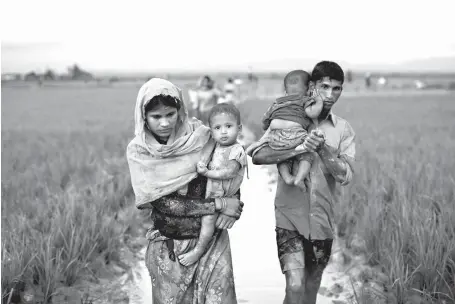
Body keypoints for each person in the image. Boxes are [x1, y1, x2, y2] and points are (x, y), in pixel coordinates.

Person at [126, 78, 244, 304]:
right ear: (144, 117)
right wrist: (219, 205)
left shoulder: (202, 136)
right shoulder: (140, 153)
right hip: (171, 246)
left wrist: (234, 207)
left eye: (170, 114)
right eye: (156, 117)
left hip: (212, 242)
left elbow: (230, 173)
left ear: (180, 110)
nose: (164, 123)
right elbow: (164, 203)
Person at [248, 61, 356, 304]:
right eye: (324, 87)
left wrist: (321, 148)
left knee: (309, 290)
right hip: (288, 217)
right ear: (311, 87)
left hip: (322, 222)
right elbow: (258, 156)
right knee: (294, 286)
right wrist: (296, 148)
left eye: (336, 89)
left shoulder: (343, 130)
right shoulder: (290, 117)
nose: (329, 95)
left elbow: (345, 176)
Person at [179, 103, 247, 266]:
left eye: (228, 126)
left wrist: (207, 173)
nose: (223, 131)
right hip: (211, 193)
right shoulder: (214, 144)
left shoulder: (237, 150)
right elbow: (208, 147)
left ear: (239, 128)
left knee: (209, 219)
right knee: (208, 217)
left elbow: (230, 172)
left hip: (221, 193)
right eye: (217, 128)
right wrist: (202, 163)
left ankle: (199, 250)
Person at [246, 70, 324, 191]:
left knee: (282, 158)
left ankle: (287, 178)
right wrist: (318, 101)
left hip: (275, 137)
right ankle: (299, 179)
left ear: (285, 90)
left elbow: (265, 122)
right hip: (296, 134)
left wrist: (269, 126)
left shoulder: (277, 102)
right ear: (309, 88)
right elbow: (312, 113)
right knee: (307, 155)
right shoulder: (304, 100)